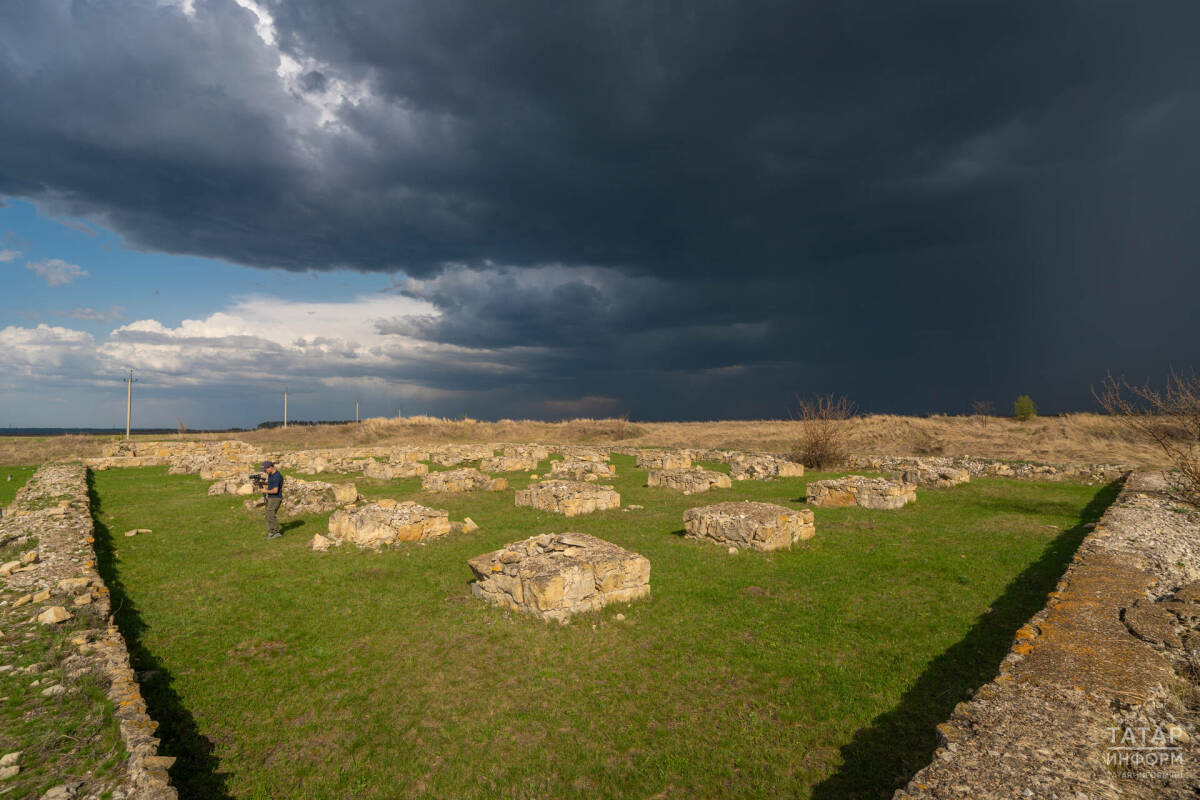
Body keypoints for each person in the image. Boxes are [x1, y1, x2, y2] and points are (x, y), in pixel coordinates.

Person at [261, 461, 284, 540]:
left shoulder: (277, 476)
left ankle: (276, 532)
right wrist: (262, 483)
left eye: (265, 470)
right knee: (268, 515)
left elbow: (275, 491)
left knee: (271, 515)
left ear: (270, 467)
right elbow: (272, 484)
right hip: (271, 497)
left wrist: (265, 491)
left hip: (275, 498)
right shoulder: (271, 474)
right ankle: (271, 532)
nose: (265, 471)